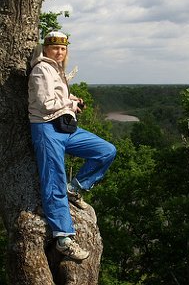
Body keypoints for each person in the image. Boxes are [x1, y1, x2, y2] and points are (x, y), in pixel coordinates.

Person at [28, 31, 116, 260]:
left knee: (105, 151)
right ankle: (63, 238)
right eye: (55, 47)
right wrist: (70, 102)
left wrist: (73, 99)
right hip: (46, 128)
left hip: (65, 126)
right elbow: (45, 103)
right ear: (45, 48)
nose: (59, 51)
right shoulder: (41, 69)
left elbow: (57, 95)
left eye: (63, 48)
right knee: (53, 179)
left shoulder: (57, 70)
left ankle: (75, 188)